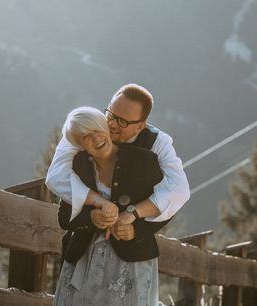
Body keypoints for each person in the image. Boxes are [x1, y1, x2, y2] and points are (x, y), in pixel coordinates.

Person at [45, 106, 173, 306]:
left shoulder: (144, 161)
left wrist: (136, 227)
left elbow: (167, 206)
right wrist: (90, 217)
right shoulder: (78, 165)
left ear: (105, 126)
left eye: (95, 130)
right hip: (84, 260)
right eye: (84, 138)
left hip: (129, 267)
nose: (93, 140)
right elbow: (64, 216)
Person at [46, 83, 190, 242]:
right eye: (111, 114)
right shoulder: (87, 127)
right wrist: (96, 205)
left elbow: (179, 190)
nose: (111, 124)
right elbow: (56, 175)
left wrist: (133, 214)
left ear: (140, 126)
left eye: (122, 121)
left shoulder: (158, 143)